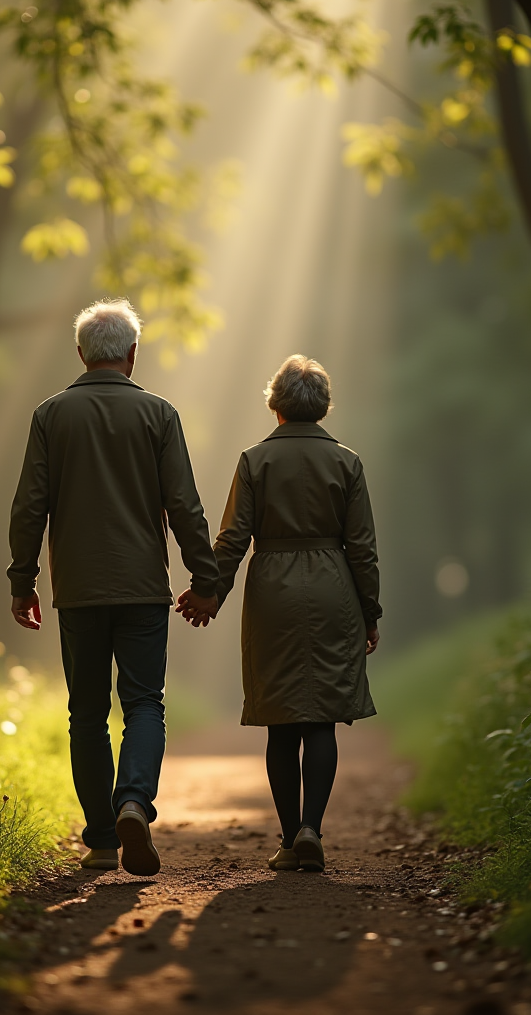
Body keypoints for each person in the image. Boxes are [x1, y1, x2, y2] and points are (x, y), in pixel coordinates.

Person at [8, 298, 219, 876]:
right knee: (144, 703)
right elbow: (184, 504)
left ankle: (102, 838)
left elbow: (30, 505)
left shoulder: (51, 416)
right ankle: (134, 803)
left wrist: (21, 579)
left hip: (77, 589)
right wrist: (207, 578)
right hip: (142, 586)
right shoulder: (159, 414)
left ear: (80, 353)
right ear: (132, 354)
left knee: (87, 714)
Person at [177, 354, 381, 873]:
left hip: (272, 590)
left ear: (275, 403)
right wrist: (370, 609)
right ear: (324, 406)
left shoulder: (254, 461)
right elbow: (362, 548)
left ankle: (290, 839)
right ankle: (313, 826)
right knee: (323, 719)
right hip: (334, 587)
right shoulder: (347, 462)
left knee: (281, 721)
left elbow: (232, 539)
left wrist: (210, 594)